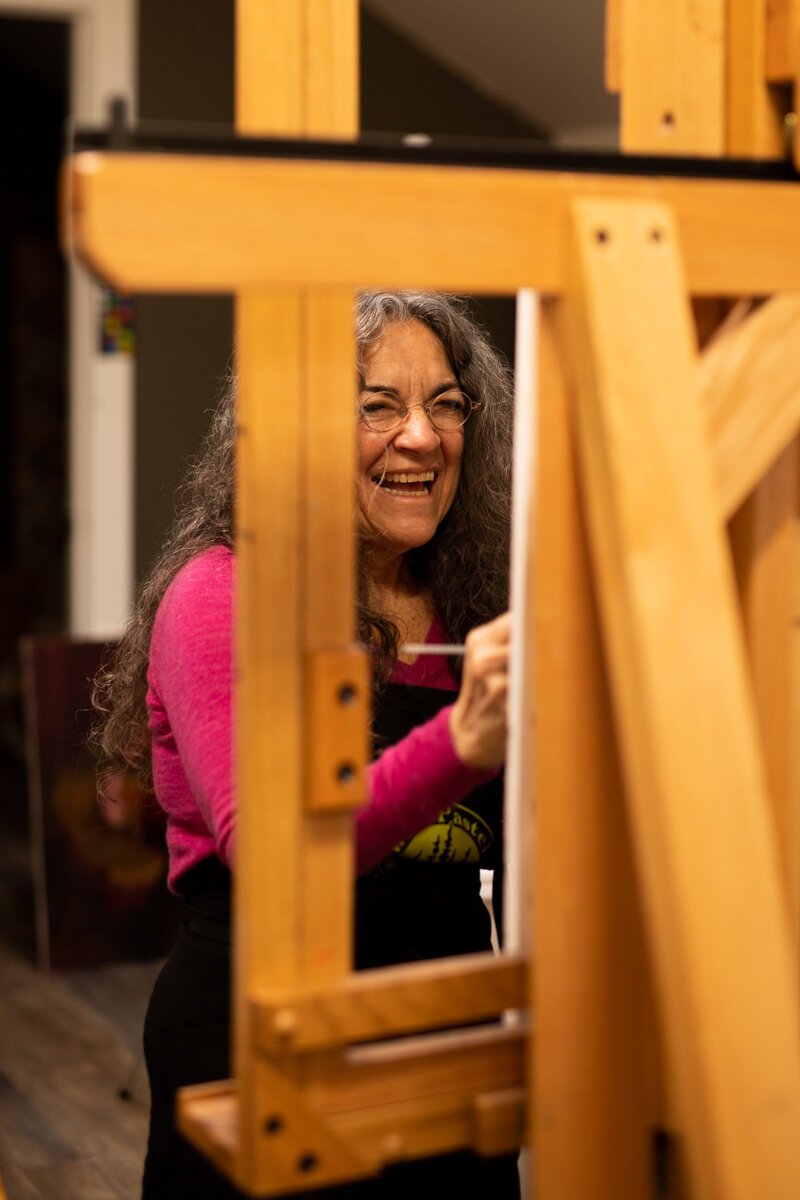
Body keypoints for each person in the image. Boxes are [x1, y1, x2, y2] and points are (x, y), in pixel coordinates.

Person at [92, 290, 517, 1199]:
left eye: (446, 403)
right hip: (256, 1049)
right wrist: (465, 738)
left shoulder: (478, 603)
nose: (422, 437)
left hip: (447, 1046)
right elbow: (272, 849)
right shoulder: (221, 595)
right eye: (376, 405)